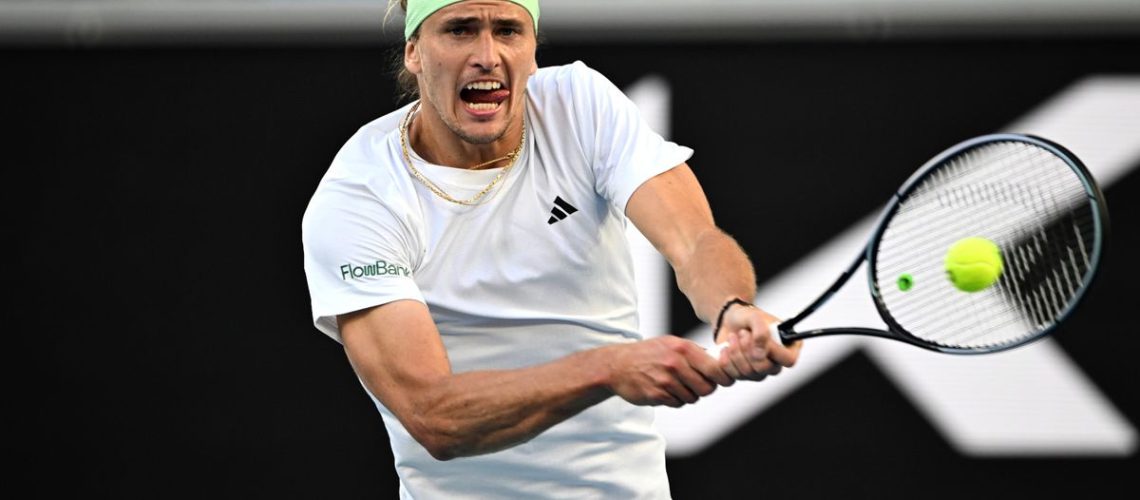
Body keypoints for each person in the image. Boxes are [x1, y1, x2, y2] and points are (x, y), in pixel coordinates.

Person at [301, 0, 802, 497]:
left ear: (533, 49)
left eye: (508, 30)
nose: (488, 55)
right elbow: (435, 415)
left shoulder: (580, 105)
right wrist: (609, 368)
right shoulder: (360, 197)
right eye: (460, 30)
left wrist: (732, 307)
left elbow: (694, 242)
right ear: (414, 52)